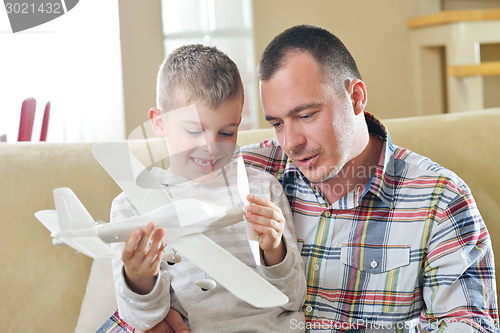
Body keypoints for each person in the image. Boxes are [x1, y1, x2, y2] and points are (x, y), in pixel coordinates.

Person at [155, 25, 499, 332]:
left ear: (356, 98)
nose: (290, 142)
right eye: (276, 123)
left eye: (305, 115)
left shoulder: (440, 199)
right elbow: (145, 272)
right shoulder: (242, 173)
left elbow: (470, 325)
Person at [96, 44, 306, 332]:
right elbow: (140, 319)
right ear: (159, 122)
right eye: (194, 130)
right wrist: (139, 278)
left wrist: (274, 250)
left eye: (226, 132)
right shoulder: (132, 205)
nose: (210, 147)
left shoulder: (262, 188)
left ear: (239, 125)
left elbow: (294, 299)